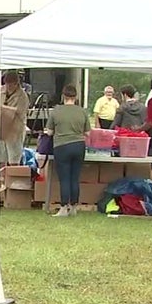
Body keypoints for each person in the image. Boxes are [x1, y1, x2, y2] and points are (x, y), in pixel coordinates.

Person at [47, 84, 91, 217]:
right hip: (79, 146)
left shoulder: (56, 111)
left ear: (63, 96)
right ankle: (74, 207)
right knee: (75, 177)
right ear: (76, 97)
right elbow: (88, 132)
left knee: (64, 178)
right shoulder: (82, 111)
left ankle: (63, 207)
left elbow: (49, 132)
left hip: (62, 146)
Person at [0, 71, 29, 168]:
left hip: (15, 130)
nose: (8, 86)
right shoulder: (1, 91)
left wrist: (4, 108)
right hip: (2, 128)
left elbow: (20, 111)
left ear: (16, 83)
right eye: (6, 83)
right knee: (0, 158)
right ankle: (2, 180)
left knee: (14, 158)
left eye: (11, 84)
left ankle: (13, 180)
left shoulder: (22, 96)